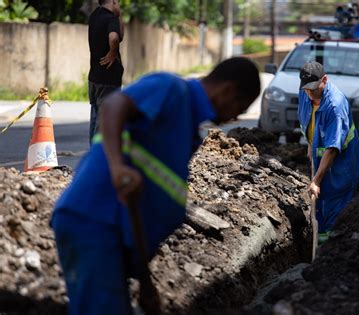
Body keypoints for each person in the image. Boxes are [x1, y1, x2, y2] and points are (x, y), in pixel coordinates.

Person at [51, 57, 261, 315]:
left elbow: (144, 202)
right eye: (240, 107)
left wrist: (146, 284)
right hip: (94, 220)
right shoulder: (170, 88)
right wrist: (117, 167)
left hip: (117, 235)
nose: (236, 116)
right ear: (227, 91)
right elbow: (112, 105)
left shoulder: (187, 130)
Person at [297, 61, 359, 241]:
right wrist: (311, 144)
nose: (310, 94)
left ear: (324, 80)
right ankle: (319, 240)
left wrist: (316, 181)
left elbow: (333, 148)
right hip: (322, 160)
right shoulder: (305, 91)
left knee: (334, 215)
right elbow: (308, 120)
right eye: (306, 89)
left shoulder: (335, 106)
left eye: (313, 89)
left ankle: (328, 253)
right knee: (319, 207)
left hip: (343, 166)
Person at [88, 0, 125, 144]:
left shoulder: (95, 16)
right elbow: (115, 38)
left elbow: (120, 35)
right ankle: (99, 157)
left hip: (94, 77)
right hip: (108, 79)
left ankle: (92, 154)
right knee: (104, 122)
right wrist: (112, 52)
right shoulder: (110, 19)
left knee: (95, 117)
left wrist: (118, 16)